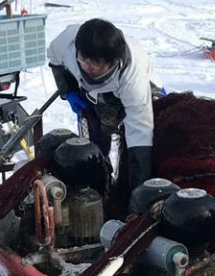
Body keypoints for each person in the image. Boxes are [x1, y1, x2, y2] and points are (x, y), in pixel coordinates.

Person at [47, 18, 163, 193]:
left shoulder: (132, 77)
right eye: (84, 59)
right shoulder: (67, 42)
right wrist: (68, 91)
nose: (88, 67)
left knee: (144, 147)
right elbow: (55, 61)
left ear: (112, 60)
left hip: (138, 94)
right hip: (92, 95)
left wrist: (139, 194)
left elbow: (140, 134)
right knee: (93, 143)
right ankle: (101, 187)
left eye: (97, 63)